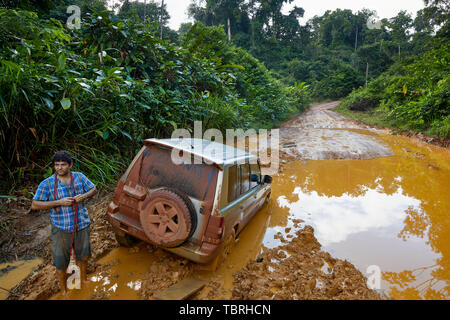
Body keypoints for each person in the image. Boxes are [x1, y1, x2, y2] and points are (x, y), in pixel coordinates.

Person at [31, 150, 97, 295]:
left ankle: (83, 280)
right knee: (61, 262)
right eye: (57, 165)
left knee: (83, 255)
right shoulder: (47, 184)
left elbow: (94, 189)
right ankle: (64, 291)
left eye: (63, 165)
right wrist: (58, 202)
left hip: (82, 224)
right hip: (61, 228)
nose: (59, 168)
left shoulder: (79, 177)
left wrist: (84, 196)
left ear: (70, 165)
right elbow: (35, 204)